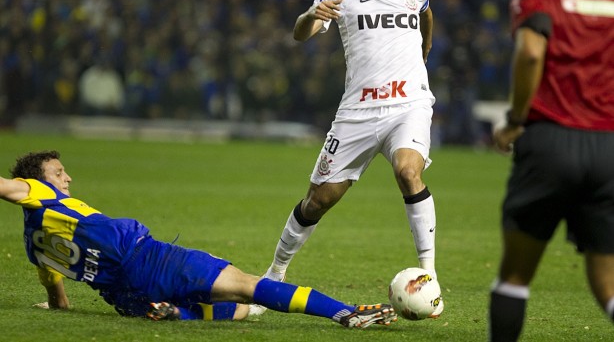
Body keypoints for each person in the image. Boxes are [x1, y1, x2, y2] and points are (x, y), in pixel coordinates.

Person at [256, 0, 442, 317]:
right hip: (357, 114)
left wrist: (425, 47)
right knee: (317, 201)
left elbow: (426, 13)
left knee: (408, 172)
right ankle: (275, 274)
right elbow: (299, 33)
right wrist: (311, 17)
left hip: (409, 105)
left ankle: (429, 274)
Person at [0, 150, 397, 328]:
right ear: (34, 181)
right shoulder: (37, 192)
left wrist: (55, 306)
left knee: (240, 312)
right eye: (58, 172)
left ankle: (178, 314)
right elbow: (8, 188)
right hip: (150, 259)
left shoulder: (32, 244)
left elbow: (57, 296)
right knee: (248, 289)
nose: (67, 178)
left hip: (123, 297)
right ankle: (345, 312)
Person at [489, 0, 614, 340]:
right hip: (608, 146)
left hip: (550, 142)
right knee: (608, 281)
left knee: (515, 276)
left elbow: (529, 53)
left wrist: (514, 119)